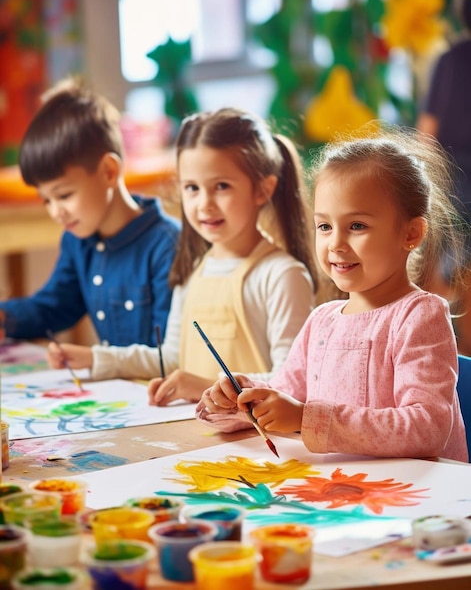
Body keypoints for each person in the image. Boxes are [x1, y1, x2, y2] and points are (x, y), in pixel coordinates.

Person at [196, 126, 469, 462]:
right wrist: (240, 397)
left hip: (413, 501)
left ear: (411, 233)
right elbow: (287, 393)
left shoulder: (419, 316)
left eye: (357, 226)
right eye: (324, 226)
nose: (336, 244)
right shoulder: (322, 321)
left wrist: (304, 418)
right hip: (344, 494)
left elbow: (427, 428)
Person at [47, 107, 318, 404]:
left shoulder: (282, 275)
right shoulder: (193, 269)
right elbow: (172, 358)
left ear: (263, 190)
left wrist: (204, 387)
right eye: (192, 188)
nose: (204, 204)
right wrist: (95, 358)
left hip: (252, 445)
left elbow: (291, 381)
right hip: (193, 436)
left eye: (222, 187)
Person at [0, 77, 180, 347]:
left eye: (64, 195)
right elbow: (54, 307)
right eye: (46, 200)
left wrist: (96, 361)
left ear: (108, 171)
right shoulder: (78, 241)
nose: (56, 212)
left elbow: (169, 354)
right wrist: (5, 317)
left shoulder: (167, 246)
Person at [416, 0, 471, 356]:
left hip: (453, 184)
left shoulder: (451, 59)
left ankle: (454, 352)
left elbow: (427, 133)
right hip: (459, 182)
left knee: (454, 274)